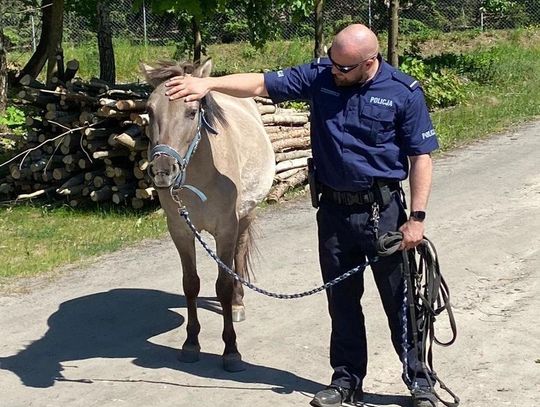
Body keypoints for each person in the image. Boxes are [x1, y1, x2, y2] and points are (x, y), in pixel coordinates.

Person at [165, 23, 439, 407]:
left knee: (402, 301)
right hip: (333, 213)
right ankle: (345, 381)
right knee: (341, 304)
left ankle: (420, 382)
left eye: (344, 68)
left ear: (369, 62)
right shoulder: (321, 75)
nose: (335, 73)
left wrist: (418, 218)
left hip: (385, 214)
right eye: (332, 64)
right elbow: (260, 84)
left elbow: (420, 158)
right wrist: (208, 85)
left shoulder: (402, 92)